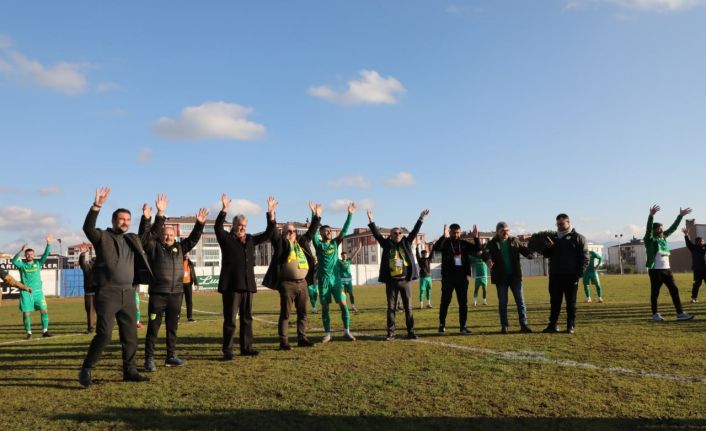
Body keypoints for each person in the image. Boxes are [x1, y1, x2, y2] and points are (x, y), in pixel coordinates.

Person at [79, 187, 152, 387]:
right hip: (107, 293)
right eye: (121, 219)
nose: (125, 223)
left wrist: (149, 218)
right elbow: (88, 229)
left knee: (130, 336)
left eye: (128, 220)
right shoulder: (103, 237)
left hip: (129, 293)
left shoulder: (132, 239)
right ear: (113, 221)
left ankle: (130, 371)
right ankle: (86, 369)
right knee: (104, 334)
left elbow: (148, 236)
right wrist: (96, 206)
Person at [140, 195, 207, 371]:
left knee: (172, 329)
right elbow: (145, 237)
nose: (169, 237)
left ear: (175, 236)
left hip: (176, 295)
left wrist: (199, 224)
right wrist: (155, 216)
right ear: (161, 235)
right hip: (158, 295)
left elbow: (193, 239)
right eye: (166, 234)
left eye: (172, 235)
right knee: (153, 328)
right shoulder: (154, 247)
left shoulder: (180, 248)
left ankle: (171, 356)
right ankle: (149, 359)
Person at [215, 193, 276, 359]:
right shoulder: (226, 238)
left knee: (247, 319)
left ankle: (246, 347)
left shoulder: (250, 239)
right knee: (230, 321)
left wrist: (270, 215)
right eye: (240, 225)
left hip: (248, 286)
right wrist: (224, 210)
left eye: (245, 225)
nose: (243, 228)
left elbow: (268, 233)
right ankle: (227, 351)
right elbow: (217, 228)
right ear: (234, 225)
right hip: (231, 287)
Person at [263, 202, 321, 350]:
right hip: (287, 284)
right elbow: (273, 233)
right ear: (283, 233)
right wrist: (271, 216)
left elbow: (312, 232)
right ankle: (284, 342)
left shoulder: (300, 243)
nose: (292, 233)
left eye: (294, 231)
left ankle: (302, 338)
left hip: (302, 283)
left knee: (303, 313)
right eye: (288, 231)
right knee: (285, 314)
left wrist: (317, 216)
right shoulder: (281, 243)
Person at [367, 208, 428, 340]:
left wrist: (421, 218)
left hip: (406, 281)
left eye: (400, 232)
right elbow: (377, 235)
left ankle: (410, 331)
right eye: (395, 233)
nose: (398, 234)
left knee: (408, 308)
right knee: (391, 308)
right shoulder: (386, 244)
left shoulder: (406, 242)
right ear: (390, 234)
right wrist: (371, 221)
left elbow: (414, 231)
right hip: (391, 282)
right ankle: (390, 332)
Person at [312, 202, 357, 343]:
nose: (329, 232)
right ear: (321, 233)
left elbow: (344, 231)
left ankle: (346, 331)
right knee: (325, 307)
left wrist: (349, 214)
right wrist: (314, 214)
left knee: (343, 304)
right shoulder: (319, 245)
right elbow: (312, 233)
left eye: (330, 231)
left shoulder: (335, 243)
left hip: (336, 280)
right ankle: (327, 333)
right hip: (323, 280)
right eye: (326, 231)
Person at [644, 205, 694, 322]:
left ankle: (680, 313)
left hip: (667, 270)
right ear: (654, 230)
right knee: (655, 293)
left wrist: (680, 216)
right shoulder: (649, 239)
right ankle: (655, 314)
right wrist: (651, 216)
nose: (662, 230)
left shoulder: (663, 237)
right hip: (655, 270)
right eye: (659, 228)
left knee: (674, 290)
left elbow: (673, 228)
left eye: (662, 228)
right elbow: (648, 229)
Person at [541, 214, 589, 334]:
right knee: (555, 302)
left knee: (571, 302)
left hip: (571, 275)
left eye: (562, 224)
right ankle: (552, 325)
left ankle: (570, 326)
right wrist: (548, 248)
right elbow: (546, 254)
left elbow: (585, 258)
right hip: (555, 275)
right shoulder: (553, 238)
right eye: (558, 224)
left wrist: (579, 273)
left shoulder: (578, 238)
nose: (559, 226)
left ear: (568, 222)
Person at [483, 222, 534, 334]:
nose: (505, 232)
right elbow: (485, 253)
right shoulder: (492, 243)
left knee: (520, 301)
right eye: (503, 230)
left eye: (507, 230)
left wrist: (529, 254)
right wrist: (488, 260)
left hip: (515, 277)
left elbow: (524, 250)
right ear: (497, 232)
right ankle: (504, 326)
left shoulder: (514, 241)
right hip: (501, 278)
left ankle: (524, 325)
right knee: (503, 302)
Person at [432, 223, 481, 335]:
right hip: (448, 278)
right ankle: (441, 325)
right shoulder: (445, 243)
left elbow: (478, 249)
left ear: (460, 232)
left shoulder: (463, 244)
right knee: (445, 302)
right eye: (454, 232)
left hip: (462, 278)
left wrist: (476, 237)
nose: (456, 234)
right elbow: (436, 249)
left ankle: (463, 326)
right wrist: (443, 236)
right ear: (450, 232)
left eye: (458, 232)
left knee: (463, 303)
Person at [12, 235, 53, 339]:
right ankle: (29, 333)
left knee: (44, 310)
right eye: (28, 254)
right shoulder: (22, 265)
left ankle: (45, 331)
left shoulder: (38, 263)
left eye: (31, 254)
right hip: (26, 292)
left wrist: (48, 244)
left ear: (34, 255)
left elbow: (45, 255)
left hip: (38, 292)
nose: (30, 255)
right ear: (25, 255)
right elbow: (13, 261)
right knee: (26, 313)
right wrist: (21, 250)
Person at [683, 227, 706, 303]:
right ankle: (694, 298)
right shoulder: (693, 248)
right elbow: (688, 242)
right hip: (697, 270)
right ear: (696, 242)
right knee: (696, 285)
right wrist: (686, 234)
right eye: (700, 241)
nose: (702, 242)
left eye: (703, 241)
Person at [337, 244, 362, 312]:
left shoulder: (348, 261)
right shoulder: (339, 261)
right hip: (341, 280)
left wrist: (359, 248)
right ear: (341, 256)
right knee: (343, 294)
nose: (344, 256)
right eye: (343, 255)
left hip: (348, 280)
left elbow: (354, 254)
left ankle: (353, 306)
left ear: (346, 256)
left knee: (351, 293)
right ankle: (344, 307)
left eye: (345, 255)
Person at [79, 246, 97, 334]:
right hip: (97, 292)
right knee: (101, 311)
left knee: (90, 312)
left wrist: (83, 254)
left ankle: (91, 329)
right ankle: (98, 328)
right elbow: (82, 262)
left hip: (92, 292)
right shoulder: (99, 267)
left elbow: (82, 263)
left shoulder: (88, 267)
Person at [415, 244, 433, 309]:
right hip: (423, 278)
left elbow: (432, 254)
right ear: (421, 254)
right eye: (423, 254)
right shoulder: (420, 260)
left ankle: (428, 304)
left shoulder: (428, 259)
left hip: (429, 277)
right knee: (422, 291)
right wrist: (417, 248)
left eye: (425, 253)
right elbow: (417, 256)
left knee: (429, 291)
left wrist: (432, 248)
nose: (424, 254)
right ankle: (421, 305)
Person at [182, 254, 198, 321]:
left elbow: (193, 273)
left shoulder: (190, 263)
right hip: (179, 284)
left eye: (188, 254)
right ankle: (176, 317)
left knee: (189, 301)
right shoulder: (179, 262)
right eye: (185, 254)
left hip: (188, 284)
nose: (186, 255)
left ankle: (190, 317)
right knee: (178, 302)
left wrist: (196, 283)